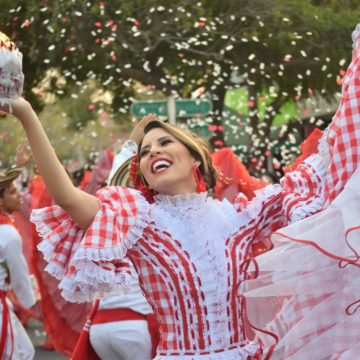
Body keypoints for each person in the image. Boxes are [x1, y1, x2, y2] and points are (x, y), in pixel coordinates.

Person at [1, 24, 359, 359]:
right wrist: (27, 113)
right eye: (144, 152)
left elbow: (323, 169)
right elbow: (67, 197)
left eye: (164, 142)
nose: (152, 151)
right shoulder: (139, 216)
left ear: (194, 158)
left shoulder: (241, 217)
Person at [0, 167, 36, 359]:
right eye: (12, 192)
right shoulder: (8, 234)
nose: (19, 195)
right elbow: (20, 277)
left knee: (24, 351)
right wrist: (33, 305)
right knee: (18, 353)